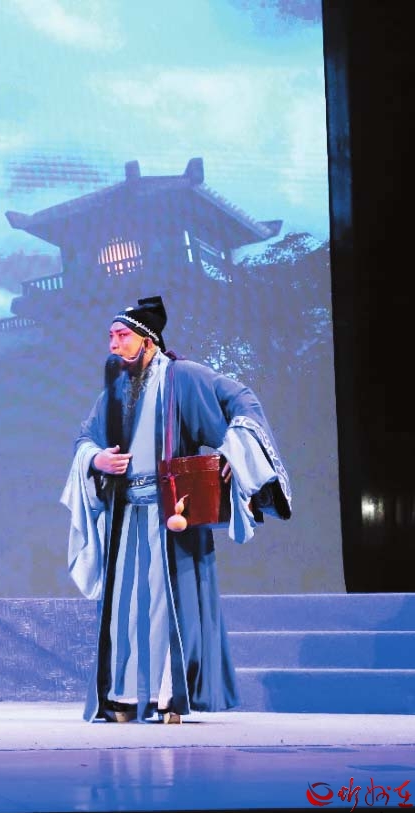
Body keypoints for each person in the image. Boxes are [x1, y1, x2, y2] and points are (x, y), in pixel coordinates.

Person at [60, 295, 291, 723]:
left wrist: (233, 450)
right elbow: (85, 439)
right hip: (127, 517)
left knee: (167, 606)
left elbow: (241, 400)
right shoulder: (115, 391)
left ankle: (168, 697)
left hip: (172, 515)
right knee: (126, 608)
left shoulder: (182, 377)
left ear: (148, 341)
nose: (113, 345)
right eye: (110, 337)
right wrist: (96, 459)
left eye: (122, 336)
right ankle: (124, 696)